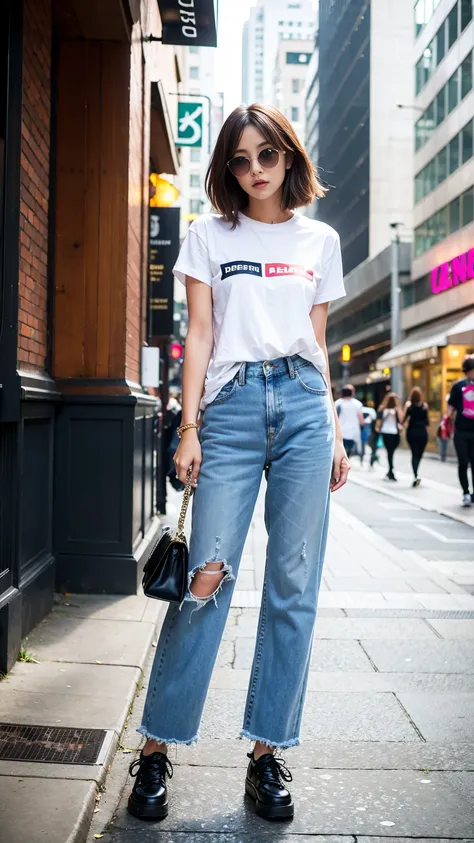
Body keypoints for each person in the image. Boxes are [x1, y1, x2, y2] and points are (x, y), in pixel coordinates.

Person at [127, 103, 350, 822]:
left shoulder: (320, 239)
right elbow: (199, 330)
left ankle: (266, 755)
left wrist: (337, 435)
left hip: (305, 406)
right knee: (205, 577)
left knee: (293, 584)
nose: (254, 170)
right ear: (229, 168)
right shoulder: (208, 234)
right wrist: (188, 425)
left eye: (267, 156)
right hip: (229, 409)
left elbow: (317, 339)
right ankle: (157, 749)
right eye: (241, 159)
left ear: (289, 156)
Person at [447, 355, 474, 506]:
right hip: (462, 430)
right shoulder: (458, 387)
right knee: (463, 462)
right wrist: (445, 422)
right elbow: (451, 407)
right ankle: (465, 492)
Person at [402, 387, 430, 486]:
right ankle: (416, 473)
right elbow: (427, 422)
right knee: (419, 454)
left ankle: (415, 474)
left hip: (412, 432)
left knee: (414, 454)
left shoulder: (409, 406)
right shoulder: (424, 406)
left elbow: (403, 420)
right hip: (422, 433)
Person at [377, 392, 402, 481]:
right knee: (391, 452)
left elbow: (379, 423)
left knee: (389, 452)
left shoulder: (382, 409)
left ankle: (390, 470)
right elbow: (401, 420)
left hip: (386, 432)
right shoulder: (396, 410)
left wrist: (378, 429)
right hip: (394, 433)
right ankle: (391, 471)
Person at [334, 385, 364, 458]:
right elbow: (361, 420)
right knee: (349, 453)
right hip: (353, 433)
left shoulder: (337, 403)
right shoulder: (357, 404)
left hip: (340, 432)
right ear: (352, 393)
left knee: (340, 452)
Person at [361, 400, 377, 466]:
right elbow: (374, 419)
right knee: (372, 447)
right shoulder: (372, 410)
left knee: (362, 445)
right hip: (370, 431)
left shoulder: (360, 409)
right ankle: (371, 460)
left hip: (361, 430)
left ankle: (362, 459)